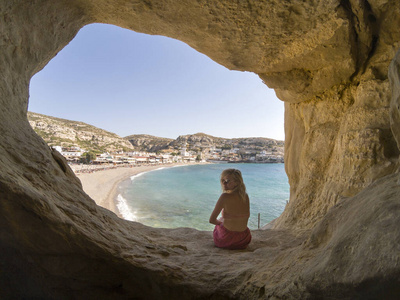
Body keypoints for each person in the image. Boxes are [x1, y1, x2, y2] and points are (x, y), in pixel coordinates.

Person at [209, 168, 251, 249]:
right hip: (244, 239)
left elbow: (212, 220)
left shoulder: (224, 197)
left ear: (237, 182)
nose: (224, 183)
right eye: (223, 180)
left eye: (227, 181)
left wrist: (221, 223)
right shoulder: (245, 196)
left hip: (227, 240)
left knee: (220, 222)